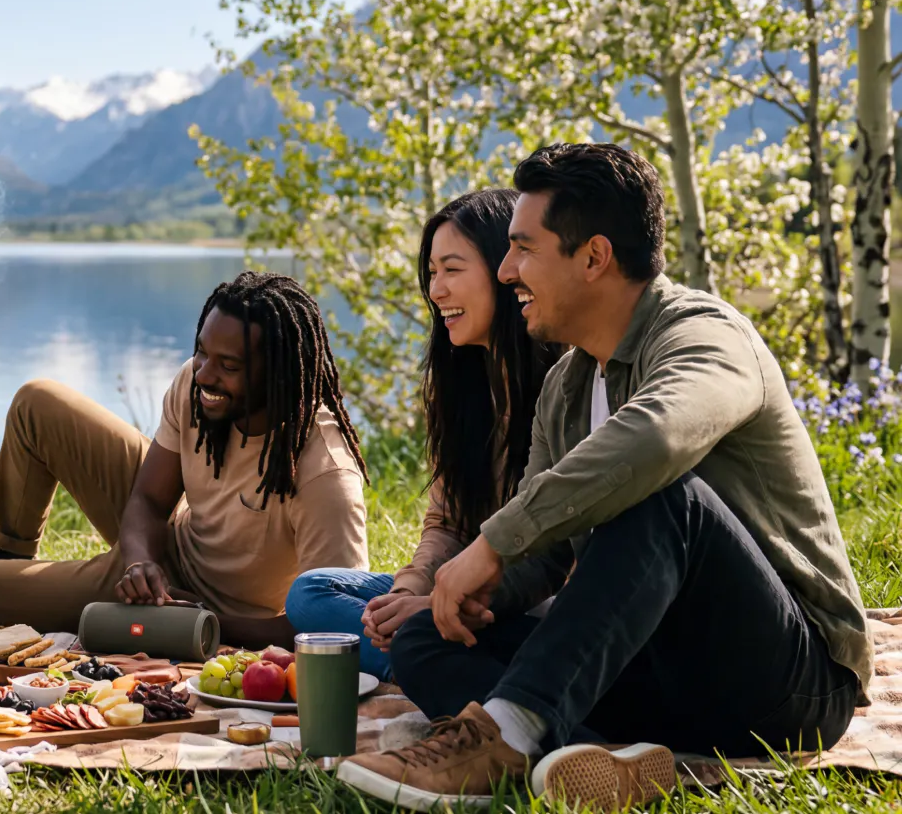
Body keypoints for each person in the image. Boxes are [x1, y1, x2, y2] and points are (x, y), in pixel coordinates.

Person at [338, 143, 871, 810]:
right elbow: (545, 559)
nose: (507, 272)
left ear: (593, 258)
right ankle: (601, 760)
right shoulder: (566, 385)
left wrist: (492, 543)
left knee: (667, 497)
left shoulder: (706, 337)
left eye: (524, 250)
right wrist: (481, 595)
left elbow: (657, 437)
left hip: (788, 685)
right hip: (654, 673)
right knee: (425, 635)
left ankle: (506, 737)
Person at [0, 270, 370, 650]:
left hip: (198, 604)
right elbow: (150, 500)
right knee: (38, 403)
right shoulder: (199, 387)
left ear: (278, 375)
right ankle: (11, 565)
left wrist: (205, 619)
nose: (204, 374)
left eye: (228, 366)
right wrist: (139, 561)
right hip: (163, 547)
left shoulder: (324, 474)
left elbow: (333, 625)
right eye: (201, 351)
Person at [285, 189, 562, 679]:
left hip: (534, 604)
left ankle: (426, 663)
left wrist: (439, 603)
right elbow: (447, 524)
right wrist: (411, 590)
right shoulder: (460, 388)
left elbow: (555, 561)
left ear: (506, 271)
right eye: (432, 273)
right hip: (455, 597)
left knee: (400, 628)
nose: (436, 291)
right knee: (312, 593)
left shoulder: (564, 384)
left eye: (452, 270)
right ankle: (427, 660)